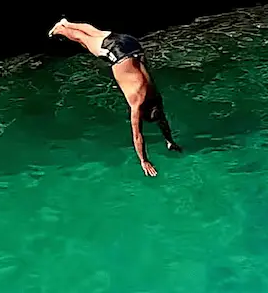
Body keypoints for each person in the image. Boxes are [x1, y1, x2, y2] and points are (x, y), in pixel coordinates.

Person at [48, 19, 183, 177]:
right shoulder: (137, 103)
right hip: (116, 52)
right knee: (82, 39)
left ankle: (67, 22)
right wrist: (143, 161)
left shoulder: (154, 95)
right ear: (143, 112)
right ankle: (59, 29)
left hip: (132, 45)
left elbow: (162, 119)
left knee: (96, 33)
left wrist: (170, 141)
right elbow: (137, 135)